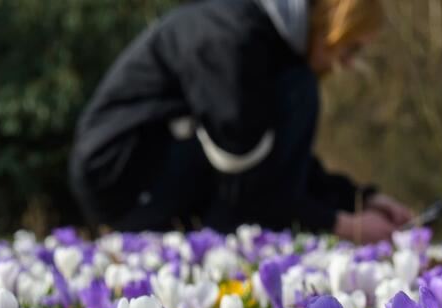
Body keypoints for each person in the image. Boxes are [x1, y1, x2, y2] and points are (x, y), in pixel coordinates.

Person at [69, 0, 413, 243]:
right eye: (350, 48)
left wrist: (359, 199)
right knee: (299, 90)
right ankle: (220, 243)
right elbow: (256, 188)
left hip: (144, 161)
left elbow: (276, 164)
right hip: (120, 178)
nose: (349, 63)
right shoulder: (234, 42)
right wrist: (344, 224)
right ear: (330, 21)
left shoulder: (261, 36)